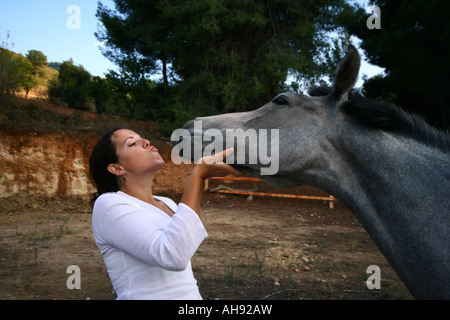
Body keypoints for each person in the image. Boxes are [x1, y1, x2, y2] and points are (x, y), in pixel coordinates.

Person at [89, 127, 241, 300]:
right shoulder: (108, 204)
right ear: (116, 168)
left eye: (142, 137)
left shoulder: (167, 203)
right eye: (132, 143)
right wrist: (198, 175)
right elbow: (172, 255)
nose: (146, 142)